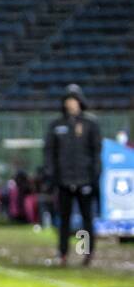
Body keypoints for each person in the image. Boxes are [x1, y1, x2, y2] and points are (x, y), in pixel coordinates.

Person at [43, 84, 103, 267]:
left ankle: (86, 253)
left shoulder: (90, 124)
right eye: (68, 100)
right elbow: (49, 153)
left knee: (86, 220)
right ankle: (63, 253)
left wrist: (94, 177)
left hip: (85, 180)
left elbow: (96, 153)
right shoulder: (56, 126)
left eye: (74, 100)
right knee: (64, 219)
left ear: (80, 102)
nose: (71, 104)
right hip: (63, 181)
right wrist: (51, 175)